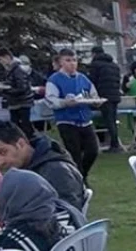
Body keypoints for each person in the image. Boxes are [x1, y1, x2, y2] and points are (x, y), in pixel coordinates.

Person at [0, 122, 85, 213]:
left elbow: (66, 214)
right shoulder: (26, 168)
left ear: (21, 144)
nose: (0, 162)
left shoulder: (56, 170)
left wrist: (3, 203)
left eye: (3, 152)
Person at [44, 49, 100, 180]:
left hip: (85, 120)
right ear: (61, 62)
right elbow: (51, 100)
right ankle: (80, 180)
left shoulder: (83, 78)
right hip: (67, 121)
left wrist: (96, 102)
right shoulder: (54, 80)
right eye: (68, 60)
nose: (72, 64)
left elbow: (93, 95)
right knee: (74, 153)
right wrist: (65, 102)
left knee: (93, 150)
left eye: (74, 60)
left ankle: (82, 174)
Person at [87, 46, 123, 153]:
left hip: (103, 96)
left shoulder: (95, 65)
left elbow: (92, 81)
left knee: (109, 121)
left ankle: (114, 145)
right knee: (112, 120)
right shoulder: (114, 65)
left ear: (94, 54)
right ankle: (115, 143)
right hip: (115, 96)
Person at [0, 48, 37, 136]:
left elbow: (22, 88)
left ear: (7, 57)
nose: (0, 62)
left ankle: (31, 141)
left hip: (22, 102)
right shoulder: (10, 69)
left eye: (0, 59)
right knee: (15, 126)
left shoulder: (18, 69)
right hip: (15, 102)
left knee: (24, 126)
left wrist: (6, 90)